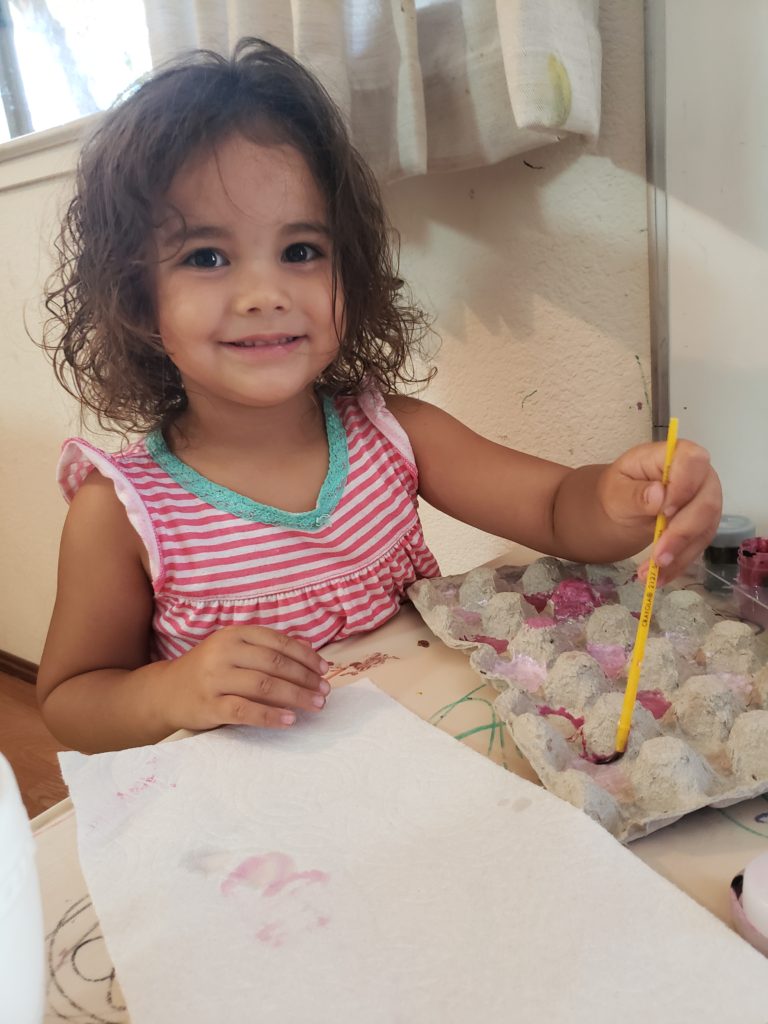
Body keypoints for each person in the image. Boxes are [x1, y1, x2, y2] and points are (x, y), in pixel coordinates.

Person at [37, 38, 722, 753]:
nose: (266, 294)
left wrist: (623, 501)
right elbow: (70, 699)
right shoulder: (120, 514)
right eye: (206, 257)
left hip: (435, 763)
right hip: (265, 838)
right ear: (137, 302)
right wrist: (169, 690)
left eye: (302, 251)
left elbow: (555, 509)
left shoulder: (393, 434)